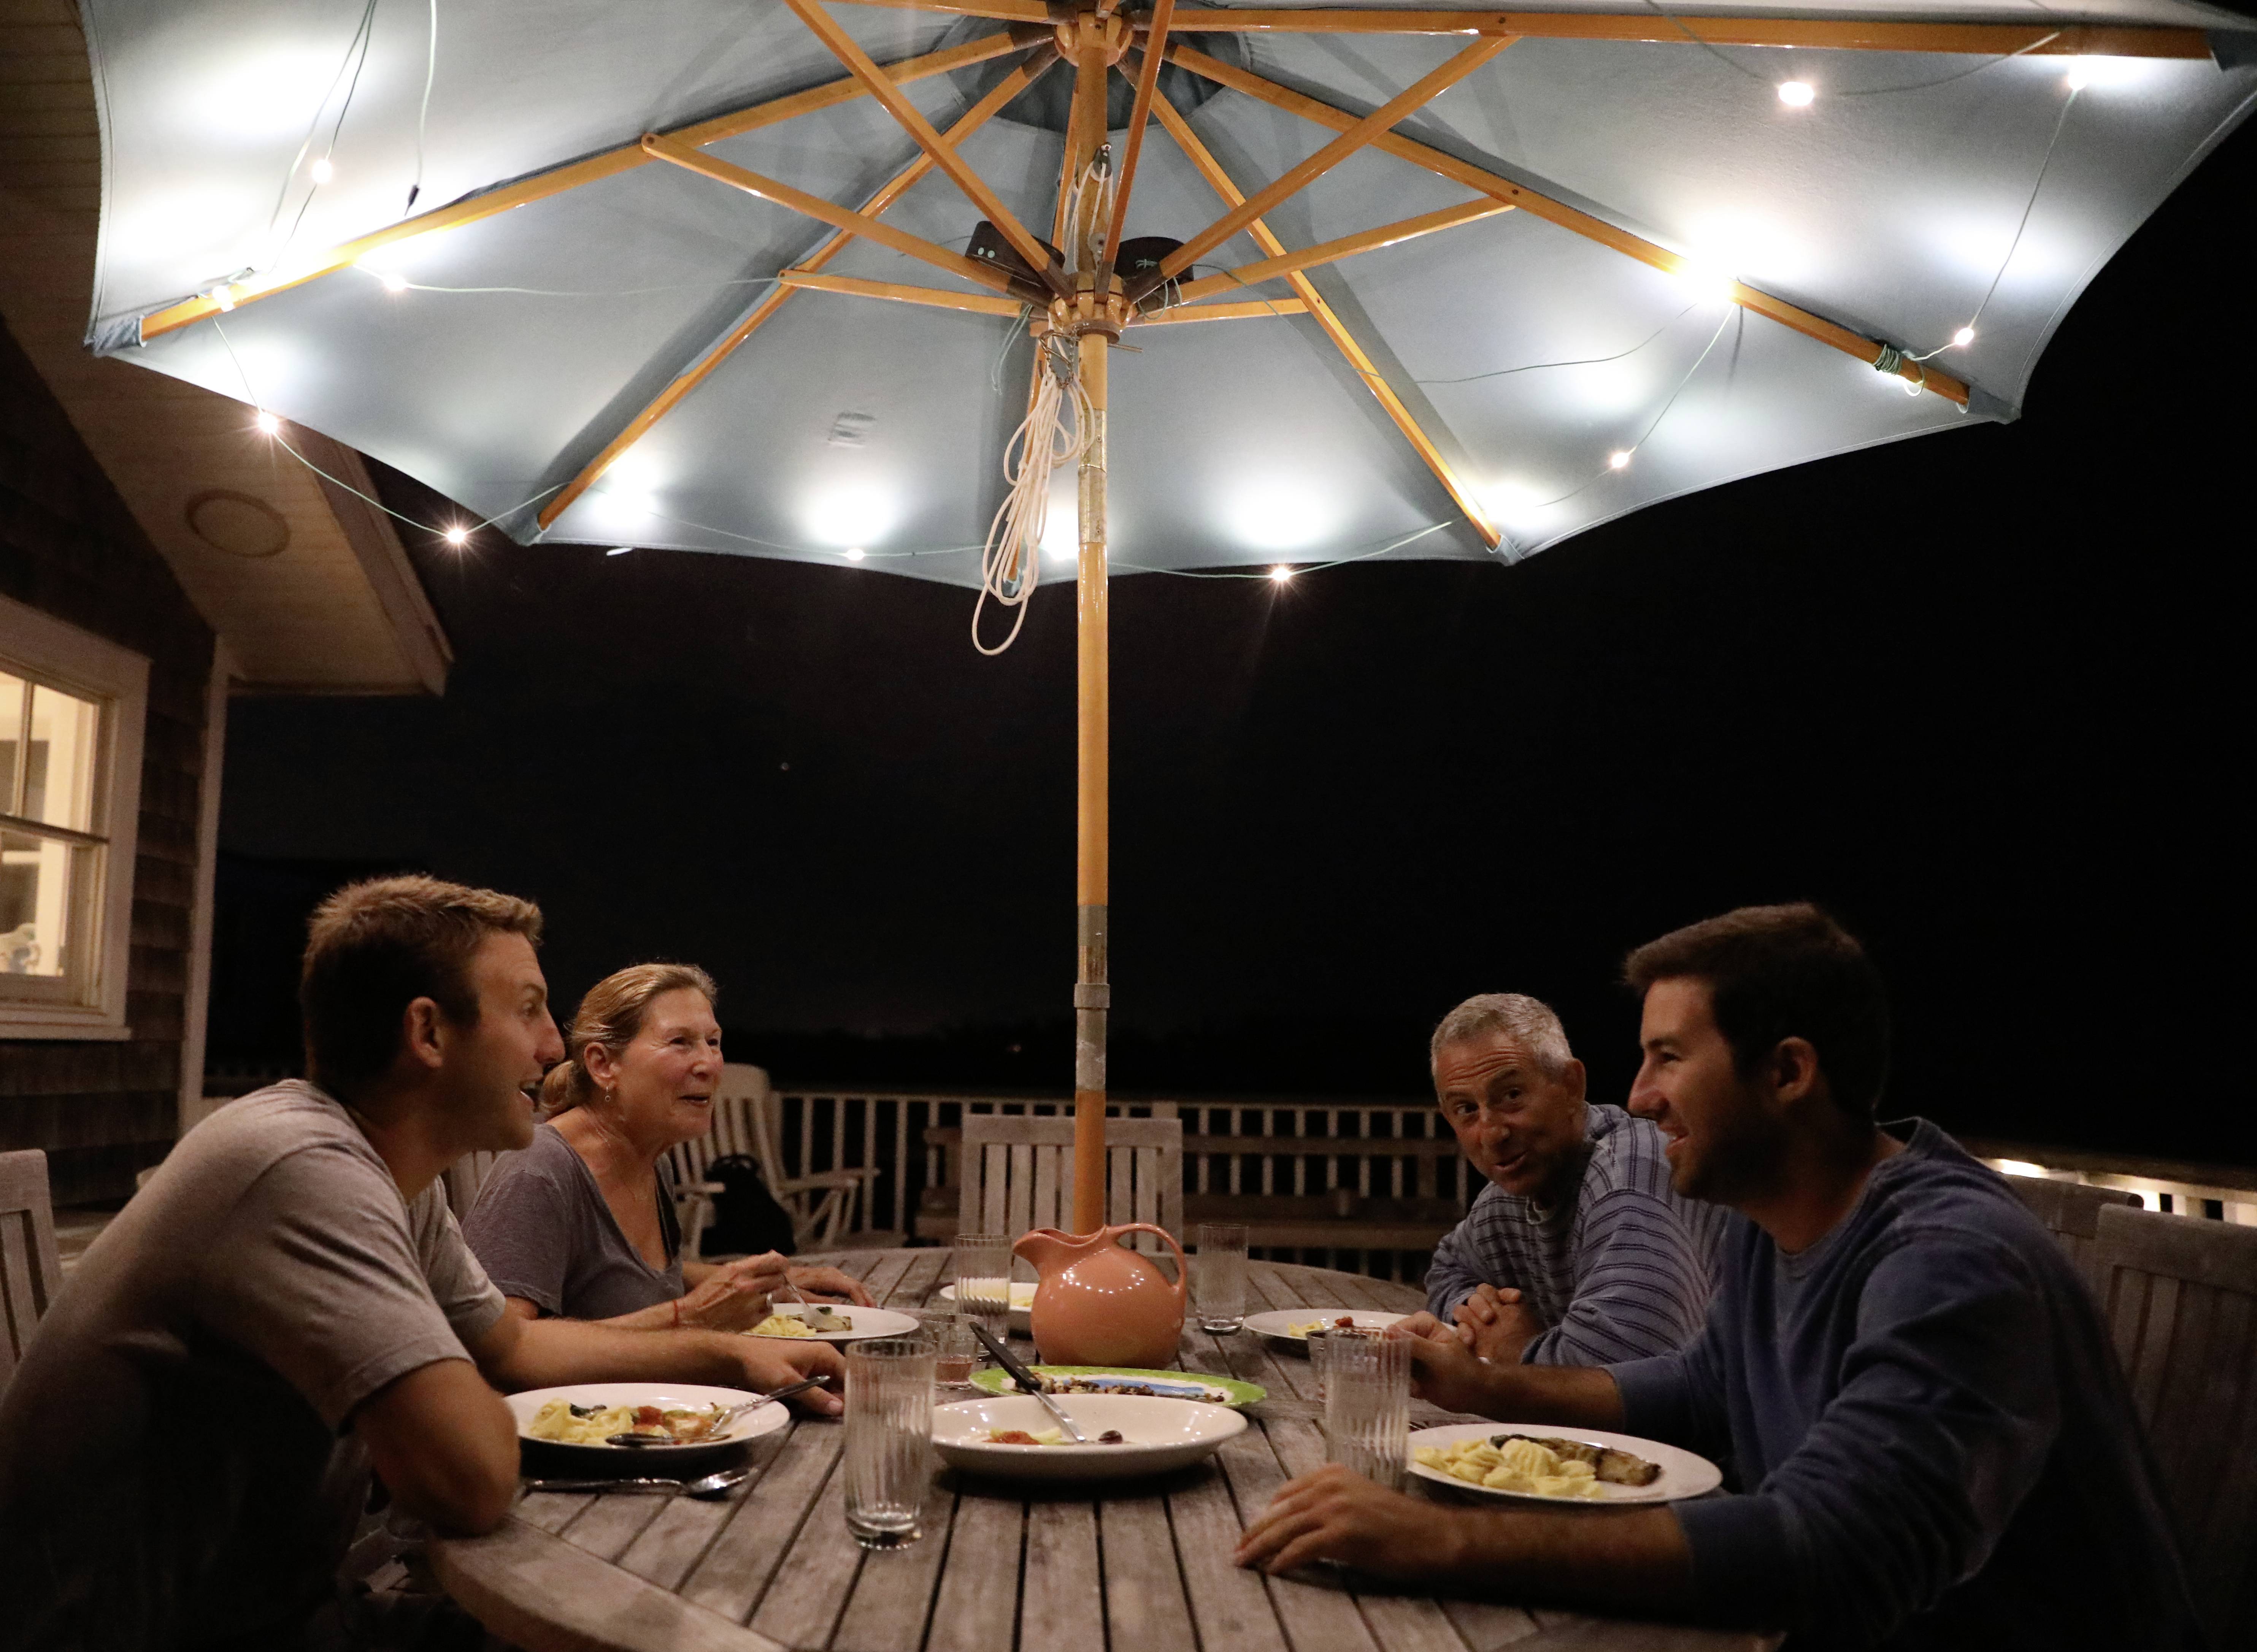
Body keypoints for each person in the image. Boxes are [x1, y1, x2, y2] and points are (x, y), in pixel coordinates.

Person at [1236, 904, 2200, 1650]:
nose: (1643, 1093)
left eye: (1668, 1056)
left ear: (1787, 1071)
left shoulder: (1951, 1260)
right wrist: (1487, 1383)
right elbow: (1702, 1386)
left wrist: (1436, 1539)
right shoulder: (1770, 1226)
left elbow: (1836, 1544)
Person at [0, 876, 844, 1652]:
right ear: (428, 1032)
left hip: (281, 1609)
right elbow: (468, 1480)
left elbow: (516, 1351)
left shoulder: (397, 1179)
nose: (553, 1046)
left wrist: (727, 1352)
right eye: (529, 1010)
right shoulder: (298, 1168)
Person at [463, 961, 872, 1328]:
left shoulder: (651, 1158)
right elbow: (505, 1350)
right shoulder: (541, 1170)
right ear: (603, 1064)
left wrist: (760, 1282)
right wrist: (688, 1317)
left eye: (712, 1042)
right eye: (680, 1041)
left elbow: (644, 1279)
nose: (709, 1064)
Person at [1409, 992, 1724, 1365]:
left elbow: (1625, 1371)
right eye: (1466, 1109)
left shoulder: (1627, 1176)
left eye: (1511, 1095)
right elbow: (1448, 1267)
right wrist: (1478, 1315)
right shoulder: (1509, 1197)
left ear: (1571, 1085)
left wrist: (1520, 1351)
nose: (1490, 1132)